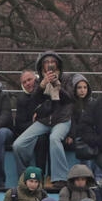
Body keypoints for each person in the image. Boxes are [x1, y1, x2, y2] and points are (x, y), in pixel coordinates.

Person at [12, 52, 72, 189]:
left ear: (57, 64)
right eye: (46, 62)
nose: (49, 64)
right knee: (18, 145)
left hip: (62, 119)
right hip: (45, 120)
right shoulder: (39, 81)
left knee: (54, 139)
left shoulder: (67, 78)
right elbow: (33, 101)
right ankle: (24, 177)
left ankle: (60, 179)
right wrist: (42, 86)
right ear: (42, 66)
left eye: (52, 61)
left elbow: (70, 99)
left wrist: (57, 85)